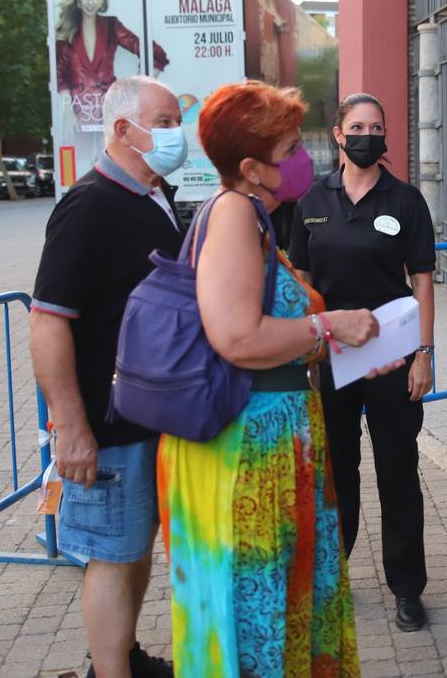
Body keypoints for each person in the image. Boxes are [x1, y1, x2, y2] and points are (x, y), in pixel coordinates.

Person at [158, 81, 397, 676]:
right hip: (247, 456)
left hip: (271, 449)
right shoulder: (236, 214)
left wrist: (346, 344)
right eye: (290, 148)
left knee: (278, 614)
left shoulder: (256, 217)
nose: (303, 160)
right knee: (256, 620)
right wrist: (327, 326)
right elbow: (237, 336)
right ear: (250, 167)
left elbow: (274, 332)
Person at [30, 76, 186, 678]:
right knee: (112, 557)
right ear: (123, 129)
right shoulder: (88, 204)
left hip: (149, 417)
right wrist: (70, 427)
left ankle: (120, 657)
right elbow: (48, 322)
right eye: (166, 121)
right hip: (106, 427)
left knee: (134, 547)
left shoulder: (152, 196)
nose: (177, 135)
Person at [288, 93, 437, 632]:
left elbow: (422, 280)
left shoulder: (406, 200)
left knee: (398, 472)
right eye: (358, 126)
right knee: (336, 474)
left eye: (377, 126)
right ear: (337, 134)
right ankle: (331, 581)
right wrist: (307, 348)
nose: (367, 134)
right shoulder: (312, 200)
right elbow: (301, 280)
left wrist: (423, 353)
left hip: (393, 357)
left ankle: (407, 588)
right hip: (332, 357)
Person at [55, 0, 170, 133]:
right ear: (78, 1)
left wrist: (135, 92)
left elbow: (156, 54)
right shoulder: (66, 32)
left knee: (115, 155)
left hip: (111, 112)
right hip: (78, 116)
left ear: (102, 0)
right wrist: (68, 110)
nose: (90, 2)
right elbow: (61, 76)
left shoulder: (111, 26)